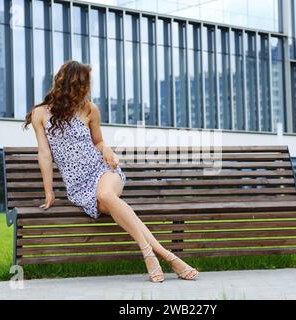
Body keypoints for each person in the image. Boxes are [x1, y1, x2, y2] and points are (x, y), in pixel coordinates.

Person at [23, 60, 199, 282]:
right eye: (83, 84)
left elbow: (98, 142)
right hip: (78, 186)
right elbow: (45, 154)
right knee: (111, 203)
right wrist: (49, 191)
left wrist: (107, 150)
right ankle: (168, 256)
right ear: (70, 84)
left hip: (104, 171)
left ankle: (148, 254)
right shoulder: (40, 114)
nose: (86, 89)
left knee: (106, 195)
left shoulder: (89, 109)